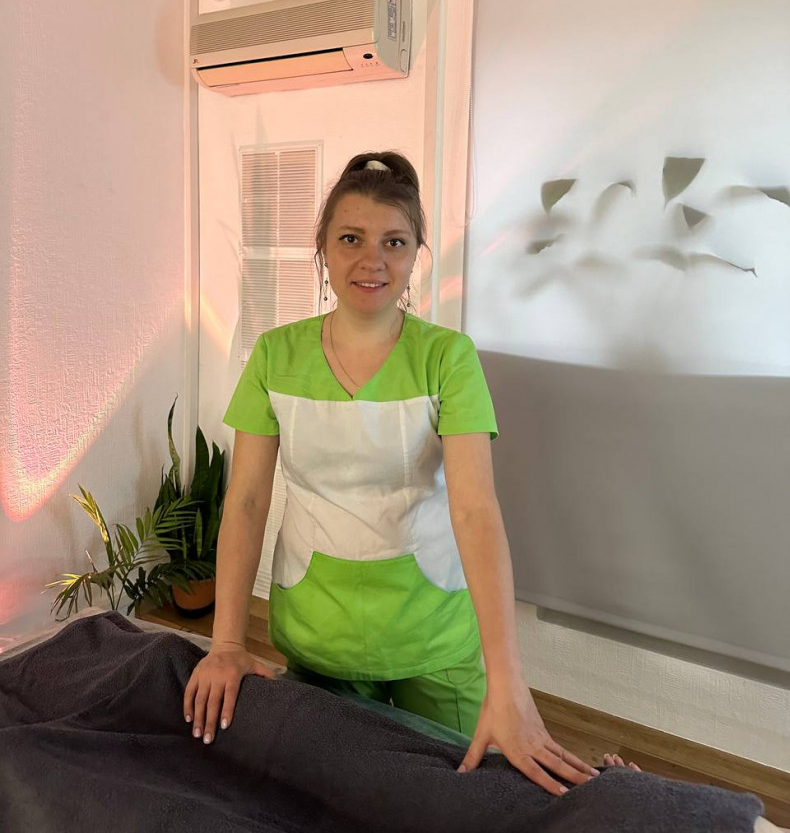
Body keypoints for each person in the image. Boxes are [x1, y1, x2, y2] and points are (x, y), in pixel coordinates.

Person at [183, 150, 600, 797]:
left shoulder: (447, 357)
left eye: (394, 242)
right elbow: (245, 502)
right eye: (351, 238)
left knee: (462, 800)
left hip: (434, 635)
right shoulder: (274, 355)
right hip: (320, 635)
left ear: (414, 255)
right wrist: (227, 643)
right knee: (336, 802)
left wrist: (509, 683)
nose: (372, 260)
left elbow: (474, 509)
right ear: (322, 248)